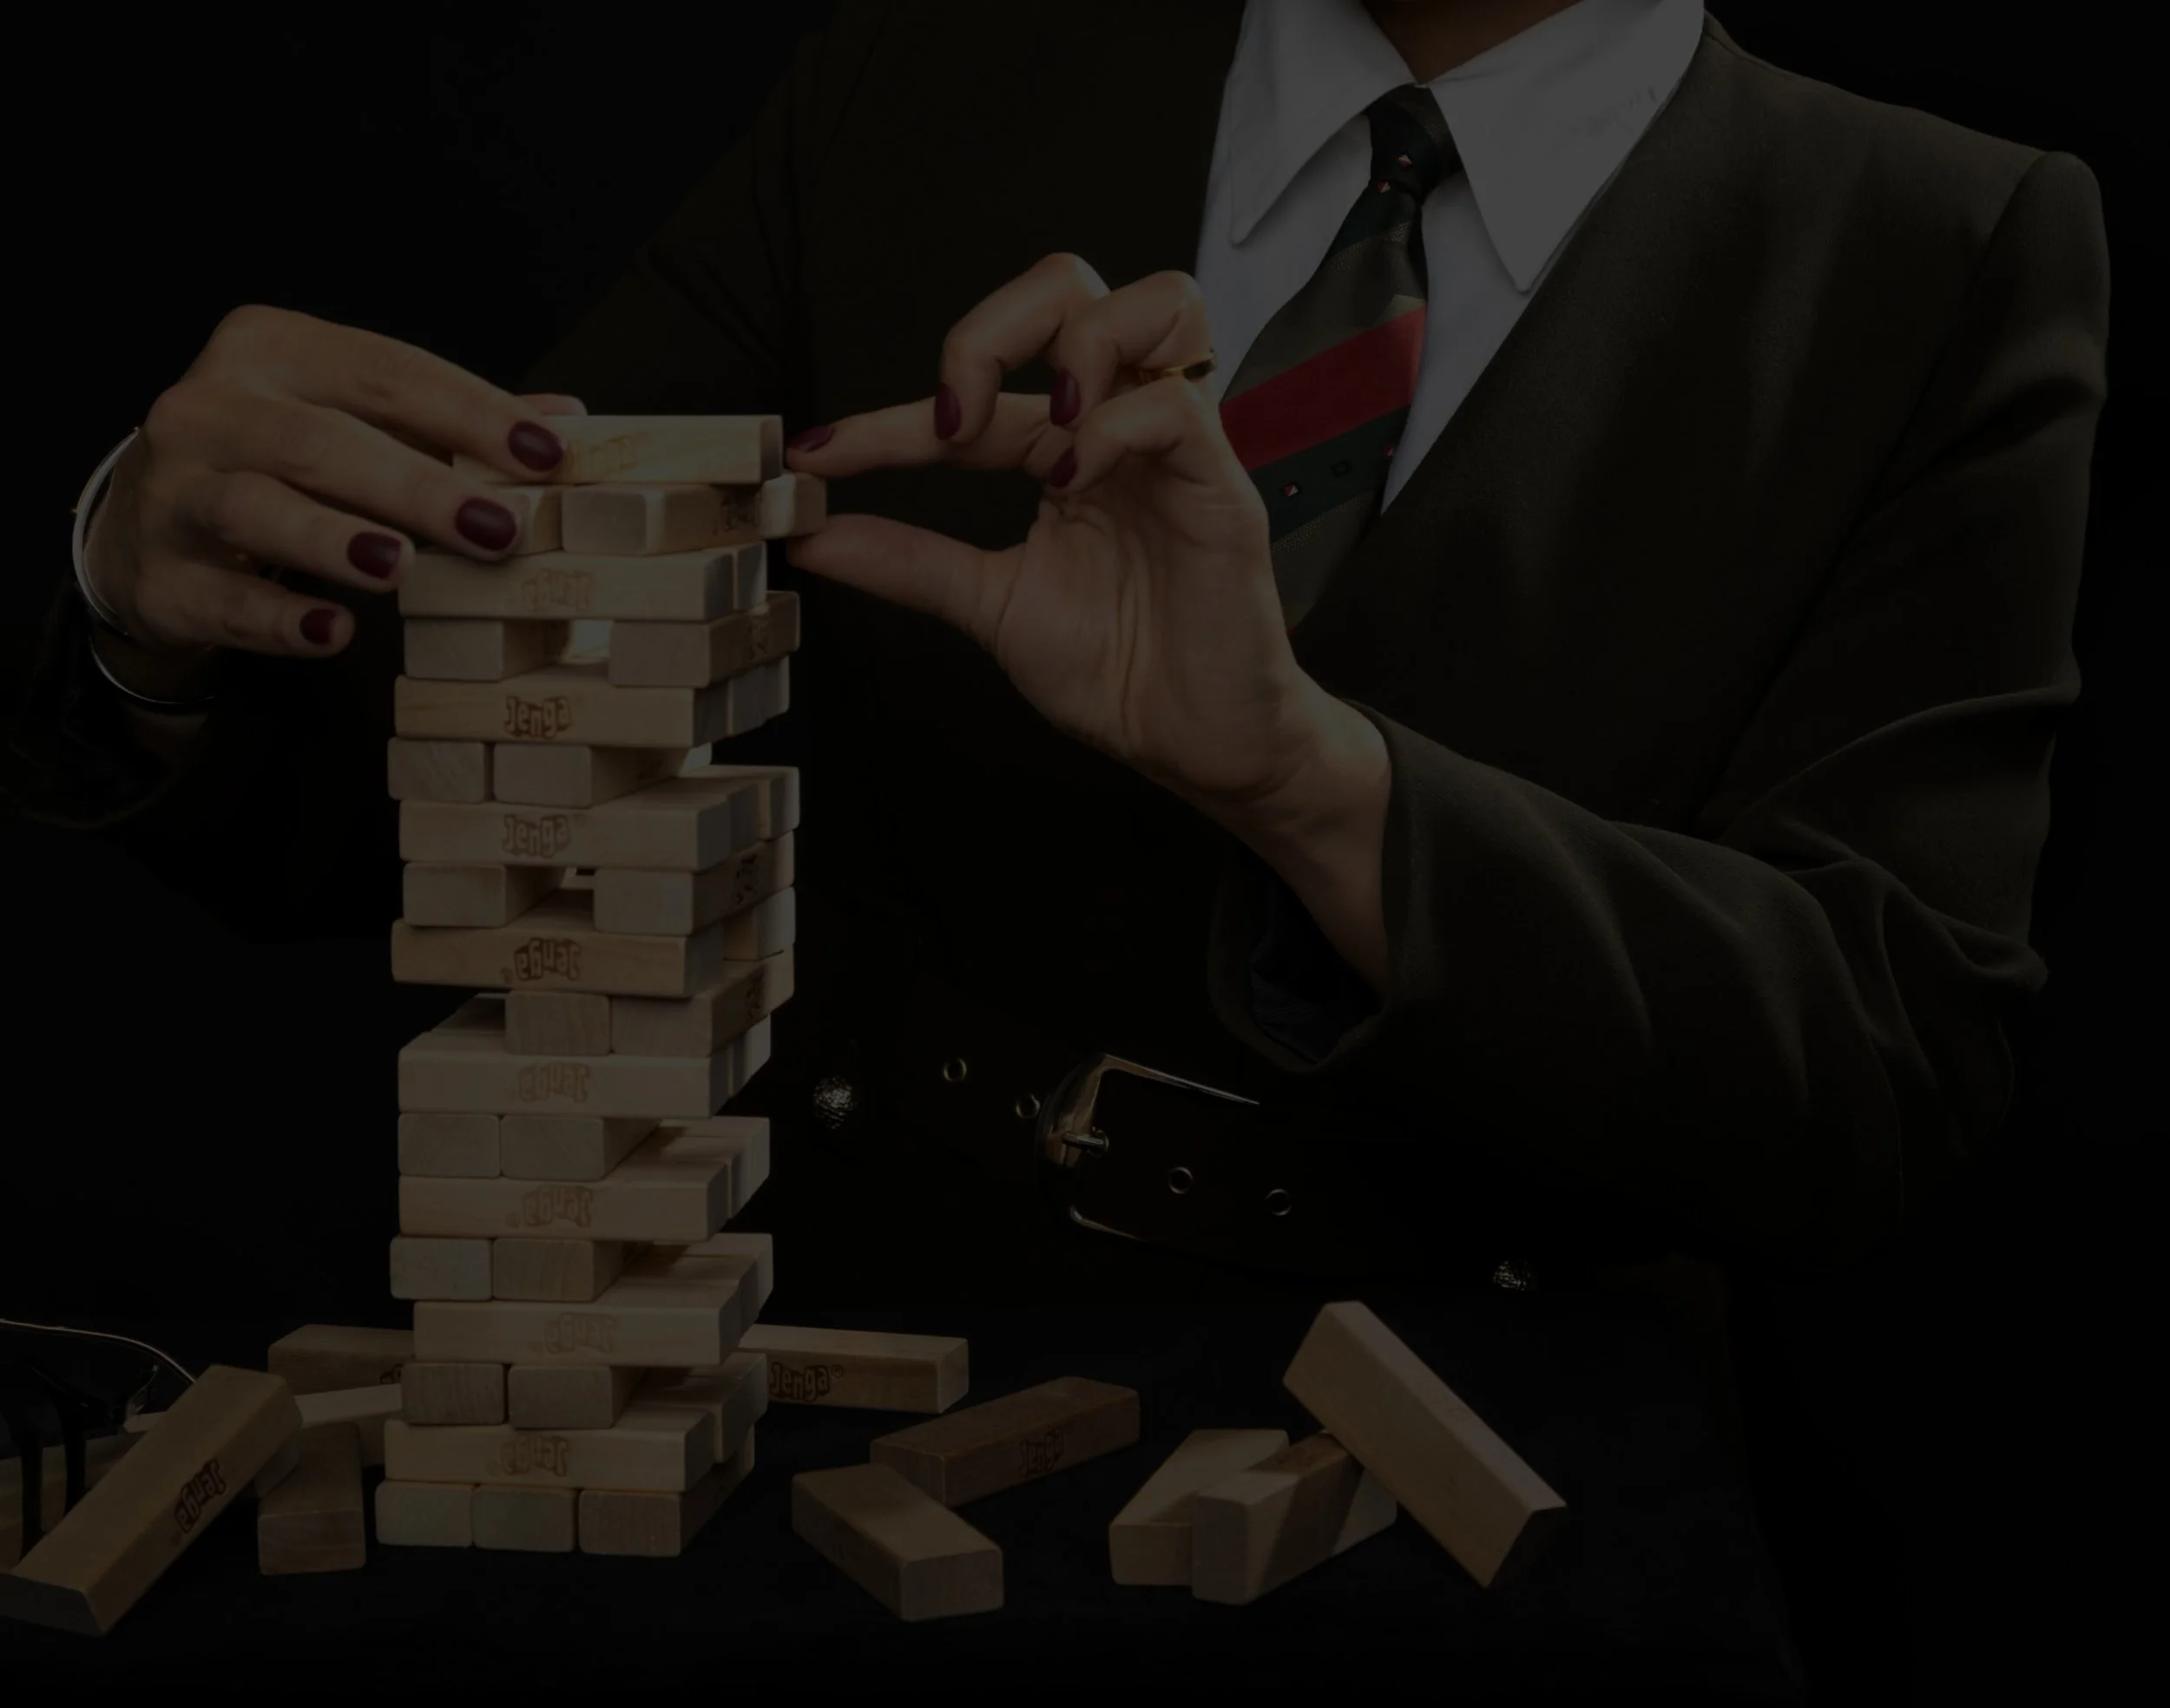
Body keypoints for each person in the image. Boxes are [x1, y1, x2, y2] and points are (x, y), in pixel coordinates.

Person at [7, 0, 2108, 1695]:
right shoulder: (921, 72)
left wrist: (1306, 780)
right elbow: (442, 788)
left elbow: (1877, 1068)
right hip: (824, 1438)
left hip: (1512, 1479)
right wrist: (142, 588)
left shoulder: (1941, 237)